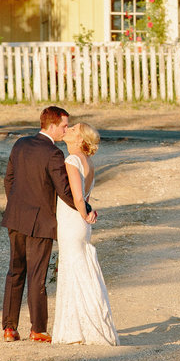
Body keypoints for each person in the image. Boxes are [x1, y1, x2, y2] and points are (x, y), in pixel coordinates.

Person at [1, 105, 96, 343]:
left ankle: (9, 329)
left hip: (15, 217)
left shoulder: (20, 144)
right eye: (64, 125)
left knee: (15, 271)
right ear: (52, 126)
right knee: (36, 275)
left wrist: (16, 205)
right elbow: (65, 192)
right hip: (41, 221)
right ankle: (38, 329)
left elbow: (9, 179)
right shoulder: (53, 154)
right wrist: (86, 209)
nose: (66, 130)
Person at [52, 122, 119, 345]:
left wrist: (84, 213)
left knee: (74, 271)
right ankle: (81, 325)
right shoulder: (88, 162)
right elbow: (87, 199)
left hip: (72, 223)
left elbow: (79, 198)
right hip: (81, 225)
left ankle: (78, 329)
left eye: (73, 130)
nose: (67, 130)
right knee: (79, 269)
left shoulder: (71, 160)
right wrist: (88, 213)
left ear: (80, 140)